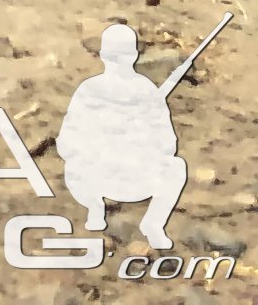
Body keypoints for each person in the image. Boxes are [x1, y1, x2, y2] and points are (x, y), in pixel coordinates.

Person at [57, 23, 190, 248]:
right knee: (176, 167)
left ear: (102, 56)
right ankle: (137, 219)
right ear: (134, 55)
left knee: (175, 166)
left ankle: (109, 212)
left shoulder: (93, 89)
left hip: (120, 178)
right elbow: (168, 144)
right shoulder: (101, 90)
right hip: (113, 176)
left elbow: (67, 142)